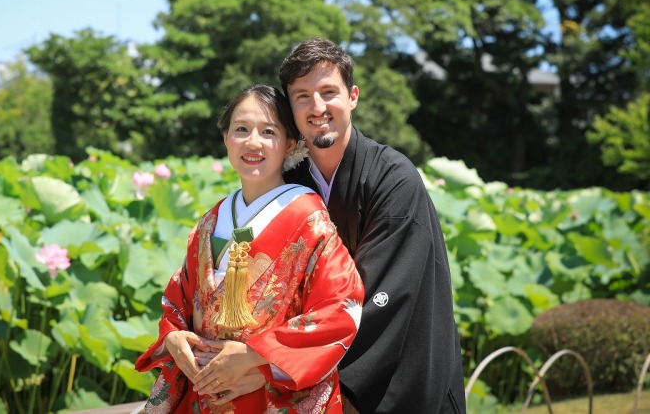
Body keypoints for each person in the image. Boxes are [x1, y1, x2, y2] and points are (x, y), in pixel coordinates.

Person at [135, 84, 365, 413]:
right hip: (205, 391)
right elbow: (178, 302)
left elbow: (342, 307)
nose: (253, 142)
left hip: (267, 392)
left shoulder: (308, 219)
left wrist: (259, 361)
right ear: (226, 137)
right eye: (241, 129)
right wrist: (173, 339)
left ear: (289, 144)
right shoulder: (210, 222)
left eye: (268, 131)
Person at [277, 36, 467, 413]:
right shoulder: (291, 182)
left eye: (328, 92)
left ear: (353, 96)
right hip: (312, 376)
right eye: (302, 96)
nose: (317, 107)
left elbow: (380, 297)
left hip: (402, 373)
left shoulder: (393, 179)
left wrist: (280, 363)